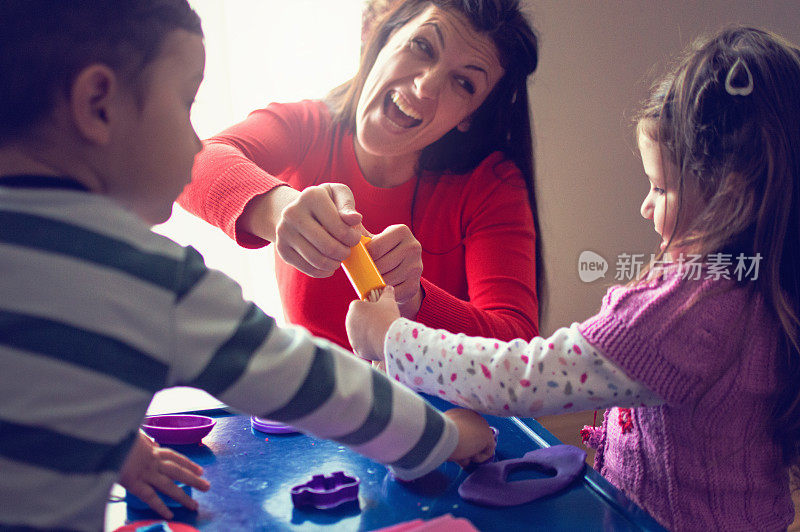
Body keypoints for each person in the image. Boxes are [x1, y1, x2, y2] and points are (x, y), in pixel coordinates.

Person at [0, 1, 496, 530]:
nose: (196, 142)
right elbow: (319, 386)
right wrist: (447, 438)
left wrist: (118, 447)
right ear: (99, 104)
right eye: (187, 103)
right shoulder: (152, 283)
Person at [346, 26, 800, 530]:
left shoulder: (692, 308)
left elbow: (523, 380)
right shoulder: (761, 278)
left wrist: (391, 338)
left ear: (730, 191)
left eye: (662, 188)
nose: (646, 207)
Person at [178, 0, 542, 352]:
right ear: (380, 35)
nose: (426, 86)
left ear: (470, 117)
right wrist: (277, 208)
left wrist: (415, 299)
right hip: (318, 403)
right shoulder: (306, 127)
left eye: (463, 83)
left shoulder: (491, 186)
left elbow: (517, 348)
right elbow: (191, 161)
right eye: (422, 46)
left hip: (438, 411)